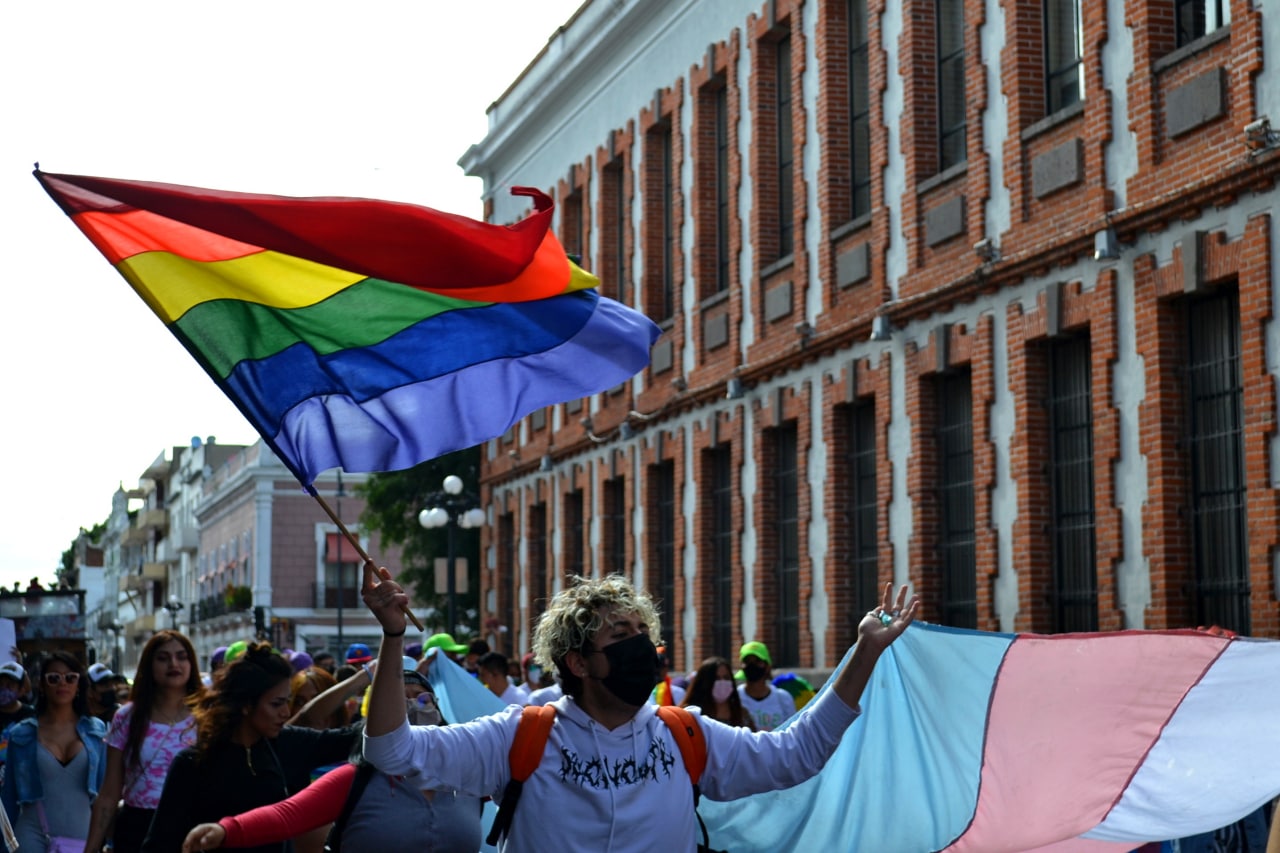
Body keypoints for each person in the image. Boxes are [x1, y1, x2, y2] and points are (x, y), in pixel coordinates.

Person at [361, 566, 918, 852]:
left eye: (643, 634)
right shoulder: (520, 736)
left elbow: (794, 755)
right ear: (578, 664)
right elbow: (391, 749)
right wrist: (392, 639)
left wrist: (864, 650)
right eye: (620, 635)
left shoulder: (685, 735)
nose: (642, 648)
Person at [178, 661, 483, 853]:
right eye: (399, 702)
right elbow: (287, 815)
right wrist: (227, 830)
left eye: (422, 698)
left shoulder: (470, 774)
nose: (415, 707)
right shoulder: (356, 781)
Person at [141, 642, 360, 853]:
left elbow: (354, 737)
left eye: (287, 701)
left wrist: (380, 666)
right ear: (246, 705)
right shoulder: (193, 763)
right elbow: (160, 843)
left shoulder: (288, 743)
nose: (286, 712)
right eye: (276, 704)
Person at [84, 629, 204, 853]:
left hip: (192, 829)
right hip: (137, 829)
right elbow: (109, 793)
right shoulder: (127, 717)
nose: (173, 664)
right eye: (163, 658)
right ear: (149, 665)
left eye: (181, 656)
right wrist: (90, 849)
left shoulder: (207, 716)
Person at [0, 651, 107, 852]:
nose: (62, 683)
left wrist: (108, 841)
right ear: (41, 685)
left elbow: (105, 794)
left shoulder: (97, 731)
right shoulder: (21, 734)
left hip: (83, 835)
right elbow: (8, 799)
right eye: (53, 678)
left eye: (70, 678)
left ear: (78, 684)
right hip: (31, 835)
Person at [680, 657, 756, 730]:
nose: (722, 682)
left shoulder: (742, 715)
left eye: (726, 678)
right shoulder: (691, 714)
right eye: (716, 678)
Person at [736, 641, 796, 732]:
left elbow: (792, 733)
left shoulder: (783, 698)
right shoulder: (735, 697)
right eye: (747, 662)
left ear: (767, 666)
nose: (752, 666)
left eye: (758, 661)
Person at [0, 661, 36, 734]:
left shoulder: (31, 716)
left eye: (10, 685)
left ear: (21, 691)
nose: (4, 689)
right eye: (0, 684)